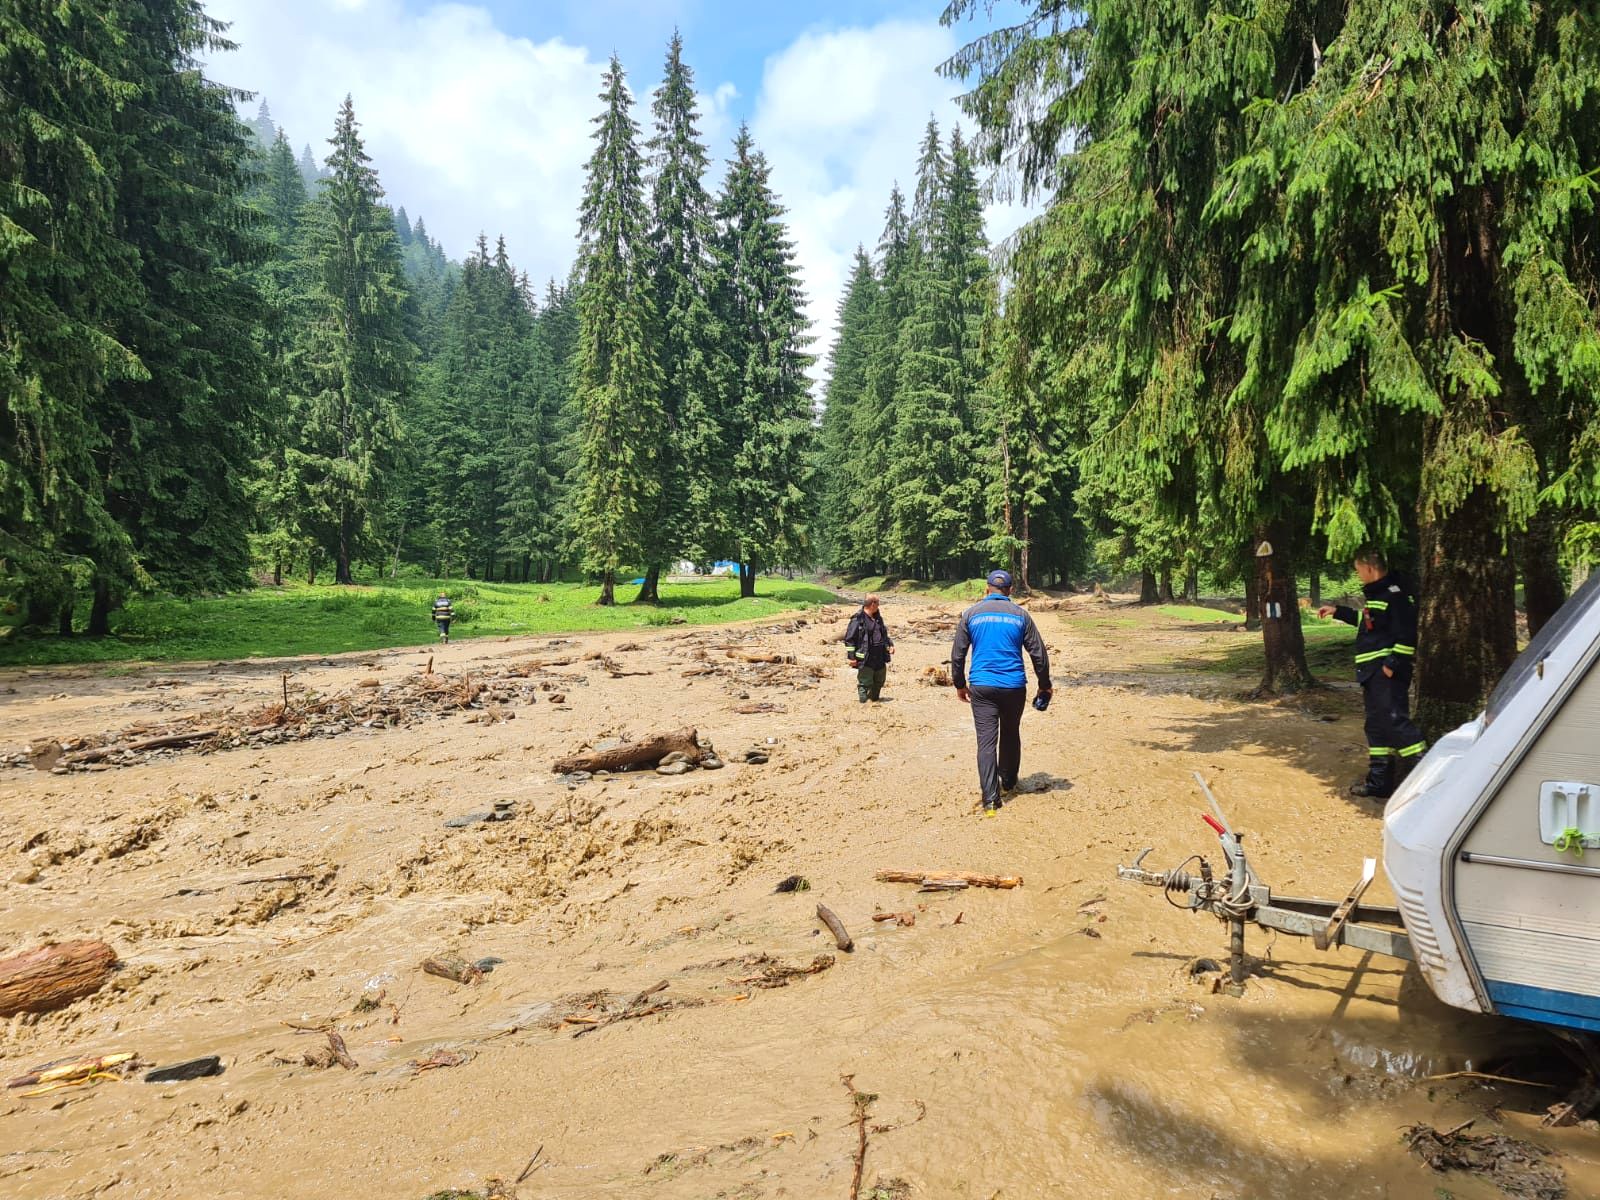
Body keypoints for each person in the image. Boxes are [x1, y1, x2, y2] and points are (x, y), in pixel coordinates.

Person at [1318, 550, 1425, 799]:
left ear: (1369, 568)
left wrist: (1392, 664)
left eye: (1358, 571)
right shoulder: (1378, 596)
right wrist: (1337, 611)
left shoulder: (1395, 595)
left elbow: (1408, 634)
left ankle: (1427, 777)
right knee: (1376, 726)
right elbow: (1369, 623)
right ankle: (1379, 783)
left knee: (1396, 723)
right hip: (1371, 673)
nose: (1358, 576)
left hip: (1385, 673)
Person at [950, 570, 1052, 815]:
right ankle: (1008, 782)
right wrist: (1044, 684)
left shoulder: (970, 614)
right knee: (1010, 733)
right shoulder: (1021, 615)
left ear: (987, 589)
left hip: (982, 687)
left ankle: (990, 800)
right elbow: (1038, 654)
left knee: (986, 742)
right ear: (1010, 590)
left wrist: (959, 684)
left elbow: (958, 654)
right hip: (1014, 686)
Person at [843, 594, 894, 702]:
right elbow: (849, 639)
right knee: (865, 683)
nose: (879, 606)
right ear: (872, 604)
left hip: (880, 656)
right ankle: (863, 705)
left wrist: (890, 645)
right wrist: (852, 658)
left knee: (879, 681)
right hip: (866, 657)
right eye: (878, 603)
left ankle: (873, 702)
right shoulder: (858, 619)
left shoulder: (878, 618)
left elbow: (884, 635)